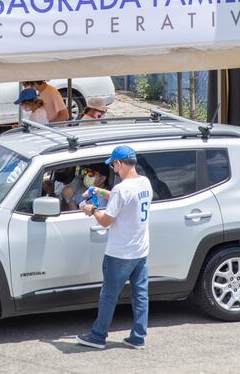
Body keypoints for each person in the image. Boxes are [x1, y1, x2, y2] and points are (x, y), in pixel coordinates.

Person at [77, 145, 152, 351]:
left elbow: (106, 221)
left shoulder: (122, 188)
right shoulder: (144, 182)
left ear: (119, 163)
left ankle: (98, 336)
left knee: (109, 296)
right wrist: (99, 191)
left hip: (120, 253)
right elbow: (124, 200)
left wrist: (92, 209)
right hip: (140, 251)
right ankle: (138, 337)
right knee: (141, 295)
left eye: (113, 165)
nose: (113, 169)